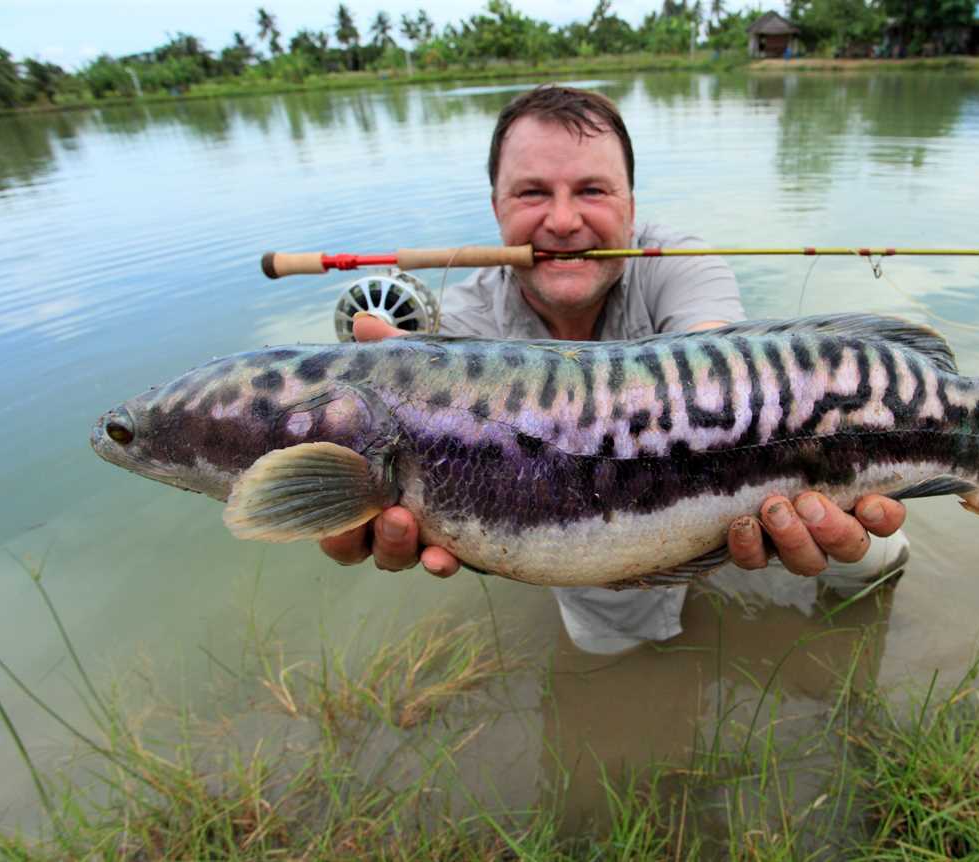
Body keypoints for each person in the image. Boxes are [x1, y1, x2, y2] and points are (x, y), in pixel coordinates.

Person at [320, 85, 909, 654]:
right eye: (531, 193)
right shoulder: (464, 322)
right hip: (585, 527)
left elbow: (725, 374)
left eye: (593, 190)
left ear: (631, 203)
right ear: (495, 208)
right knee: (612, 644)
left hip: (736, 486)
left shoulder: (683, 266)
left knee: (872, 549)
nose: (563, 220)